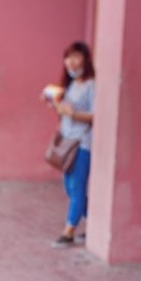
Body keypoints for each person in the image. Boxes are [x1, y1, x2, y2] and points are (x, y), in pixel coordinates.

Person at [47, 41, 96, 247]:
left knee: (76, 188)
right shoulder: (71, 84)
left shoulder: (92, 84)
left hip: (82, 143)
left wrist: (73, 113)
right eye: (68, 57)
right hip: (67, 141)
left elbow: (95, 114)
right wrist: (54, 103)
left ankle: (69, 231)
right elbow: (65, 109)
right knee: (70, 188)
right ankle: (96, 224)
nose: (71, 62)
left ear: (85, 59)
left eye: (76, 57)